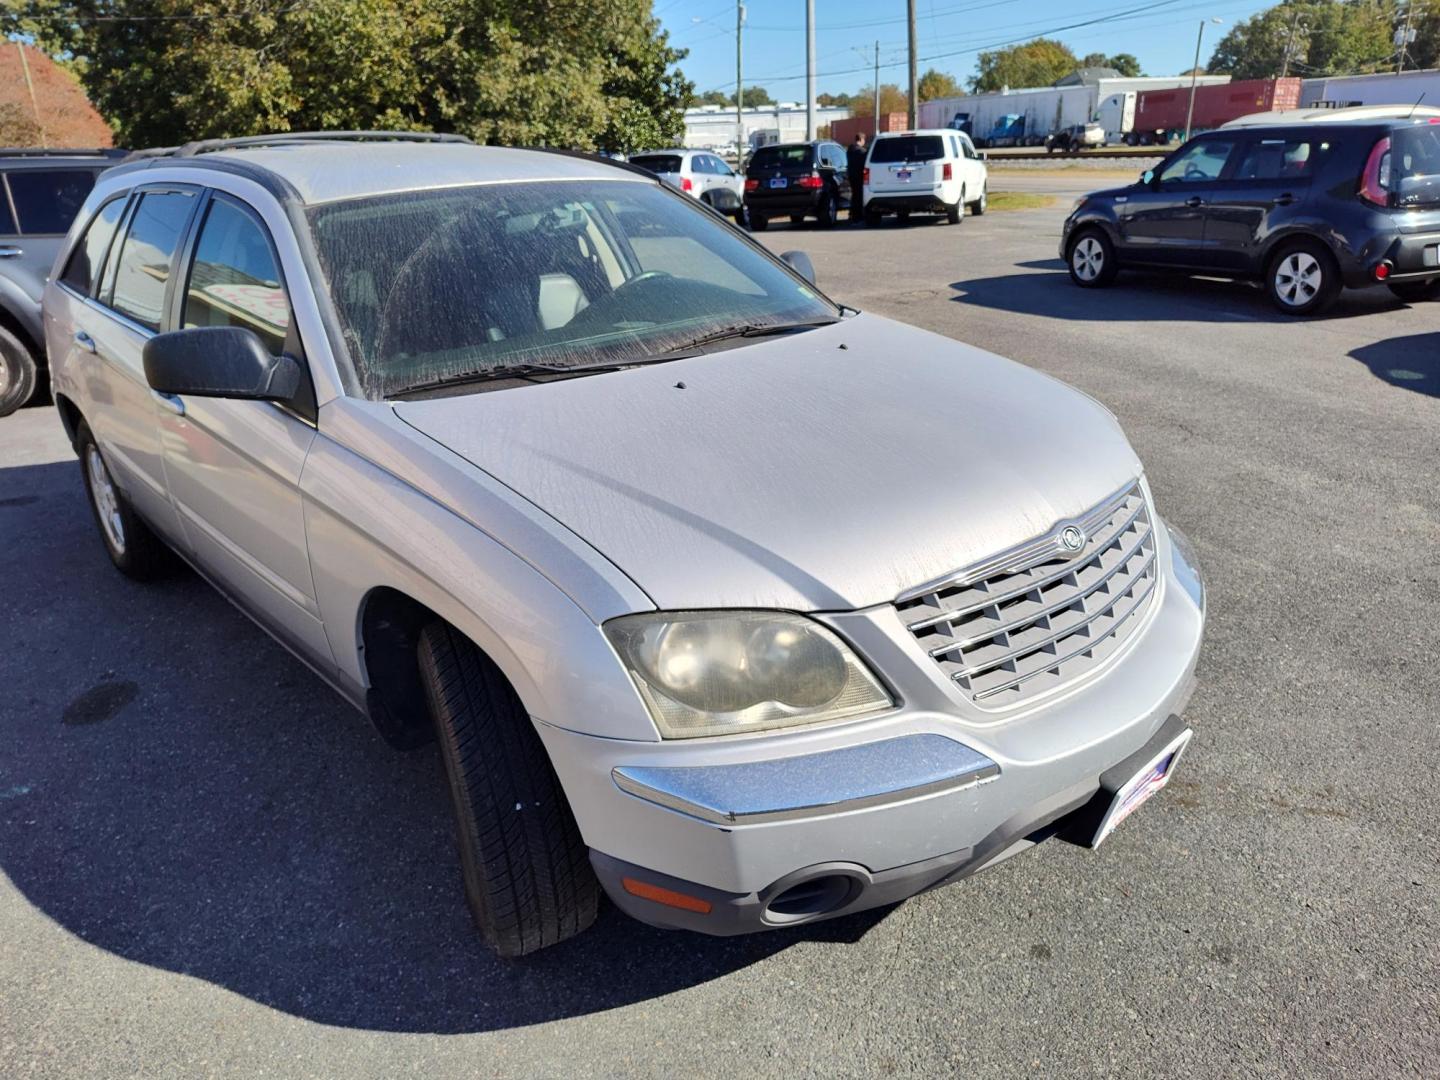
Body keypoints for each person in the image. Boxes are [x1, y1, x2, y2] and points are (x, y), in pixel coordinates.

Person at [846, 132, 868, 222]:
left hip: (851, 175)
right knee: (859, 196)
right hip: (859, 175)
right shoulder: (862, 151)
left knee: (854, 195)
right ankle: (857, 215)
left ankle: (852, 214)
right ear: (861, 139)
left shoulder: (849, 150)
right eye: (864, 140)